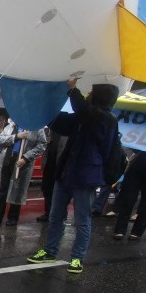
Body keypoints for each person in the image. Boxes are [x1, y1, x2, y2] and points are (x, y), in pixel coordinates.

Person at [27, 79, 120, 274]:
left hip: (85, 177)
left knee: (82, 220)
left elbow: (86, 111)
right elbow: (61, 123)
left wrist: (72, 90)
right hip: (66, 174)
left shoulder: (106, 119)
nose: (88, 95)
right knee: (55, 216)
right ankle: (50, 251)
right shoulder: (85, 115)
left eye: (92, 92)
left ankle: (77, 258)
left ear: (100, 96)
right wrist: (47, 109)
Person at [0, 125, 47, 226]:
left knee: (17, 190)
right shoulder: (11, 126)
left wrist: (26, 158)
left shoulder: (36, 127)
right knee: (3, 189)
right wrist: (17, 136)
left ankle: (13, 217)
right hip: (8, 160)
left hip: (22, 162)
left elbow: (42, 145)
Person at [113, 150, 146, 241]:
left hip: (139, 162)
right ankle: (121, 230)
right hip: (138, 164)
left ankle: (136, 232)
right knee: (128, 198)